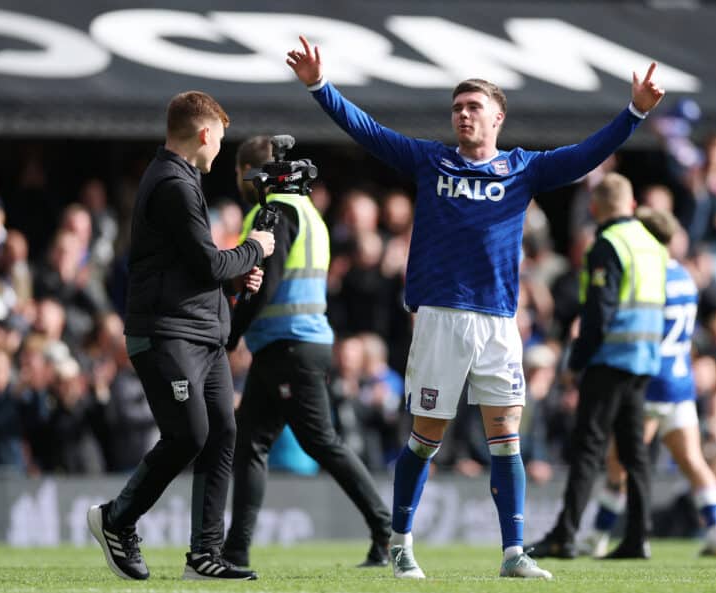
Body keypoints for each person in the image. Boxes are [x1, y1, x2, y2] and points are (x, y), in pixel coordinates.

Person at [286, 36, 665, 579]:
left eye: (473, 108)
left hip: (499, 321)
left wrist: (633, 113)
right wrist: (321, 88)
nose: (462, 116)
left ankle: (513, 552)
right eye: (457, 108)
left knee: (505, 434)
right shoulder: (429, 159)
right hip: (442, 316)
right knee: (428, 436)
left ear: (498, 120)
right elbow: (367, 131)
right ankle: (400, 543)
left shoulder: (525, 169)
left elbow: (587, 155)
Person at [87, 91, 275, 581]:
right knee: (188, 434)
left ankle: (204, 555)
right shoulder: (173, 182)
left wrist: (236, 274)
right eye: (220, 140)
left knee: (221, 434)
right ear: (206, 134)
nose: (218, 152)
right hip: (167, 333)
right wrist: (252, 249)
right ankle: (116, 518)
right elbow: (208, 261)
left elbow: (198, 267)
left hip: (200, 332)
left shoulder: (182, 179)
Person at [221, 135, 392, 569]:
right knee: (254, 444)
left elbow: (265, 284)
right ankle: (235, 552)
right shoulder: (308, 212)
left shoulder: (272, 213)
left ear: (250, 173)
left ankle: (387, 530)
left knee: (318, 442)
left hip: (288, 345)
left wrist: (231, 334)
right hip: (293, 343)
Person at [572, 207, 716, 558]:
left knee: (619, 463)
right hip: (680, 380)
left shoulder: (650, 274)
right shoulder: (686, 278)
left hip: (648, 379)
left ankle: (597, 536)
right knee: (693, 461)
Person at [528, 173, 668, 560]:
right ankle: (638, 536)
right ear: (633, 204)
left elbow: (598, 313)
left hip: (610, 359)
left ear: (594, 208)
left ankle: (565, 534)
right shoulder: (652, 245)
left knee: (588, 449)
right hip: (643, 360)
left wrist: (576, 361)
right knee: (634, 454)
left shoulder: (607, 245)